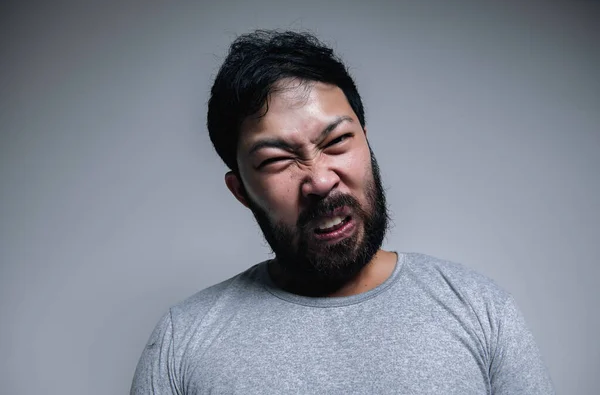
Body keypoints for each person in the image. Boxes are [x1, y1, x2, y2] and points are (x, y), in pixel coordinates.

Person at [131, 30, 554, 394]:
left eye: (336, 143)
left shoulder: (480, 309)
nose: (319, 180)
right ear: (241, 190)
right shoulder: (182, 342)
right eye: (277, 160)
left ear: (366, 145)